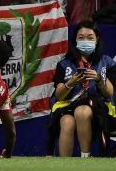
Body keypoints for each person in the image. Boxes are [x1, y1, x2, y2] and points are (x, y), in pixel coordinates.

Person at [47, 20, 116, 157]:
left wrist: (98, 79)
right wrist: (71, 82)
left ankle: (85, 159)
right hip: (68, 105)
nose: (86, 41)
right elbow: (59, 95)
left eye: (90, 38)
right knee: (67, 122)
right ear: (75, 40)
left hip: (98, 109)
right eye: (81, 37)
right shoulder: (64, 63)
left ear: (97, 40)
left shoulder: (106, 61)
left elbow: (110, 92)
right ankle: (63, 169)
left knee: (82, 111)